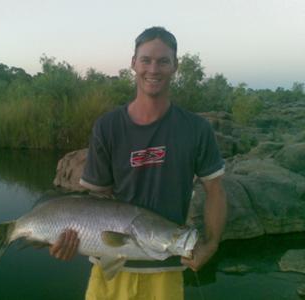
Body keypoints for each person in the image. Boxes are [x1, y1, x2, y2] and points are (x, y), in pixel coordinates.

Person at [49, 26, 227, 300]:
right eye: (146, 60)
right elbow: (96, 198)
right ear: (133, 63)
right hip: (109, 267)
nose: (153, 69)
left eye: (163, 61)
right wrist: (68, 237)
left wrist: (211, 244)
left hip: (165, 270)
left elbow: (215, 191)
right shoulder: (107, 127)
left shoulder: (196, 129)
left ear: (175, 66)